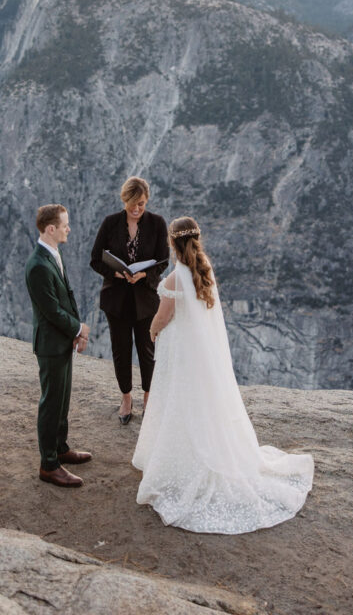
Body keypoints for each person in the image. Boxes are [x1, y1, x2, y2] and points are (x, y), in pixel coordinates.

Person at [132, 216, 314, 533]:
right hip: (200, 355)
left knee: (179, 403)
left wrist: (151, 331)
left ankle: (184, 461)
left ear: (172, 243)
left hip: (181, 353)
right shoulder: (204, 269)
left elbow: (163, 317)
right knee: (200, 405)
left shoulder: (176, 278)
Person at [90, 177, 169, 424]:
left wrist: (145, 274)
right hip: (117, 300)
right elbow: (95, 259)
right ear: (124, 201)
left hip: (146, 299)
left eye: (141, 204)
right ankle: (126, 397)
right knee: (121, 350)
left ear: (147, 202)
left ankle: (148, 397)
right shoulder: (110, 223)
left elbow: (163, 260)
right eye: (132, 204)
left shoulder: (157, 223)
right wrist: (115, 272)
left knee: (148, 350)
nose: (136, 209)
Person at [25, 204, 92, 487]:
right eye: (65, 224)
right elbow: (51, 310)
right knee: (51, 402)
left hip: (62, 341)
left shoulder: (53, 253)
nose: (69, 228)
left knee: (62, 399)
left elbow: (67, 295)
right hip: (50, 345)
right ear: (50, 229)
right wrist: (79, 328)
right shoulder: (38, 265)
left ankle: (61, 448)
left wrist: (75, 332)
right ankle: (49, 465)